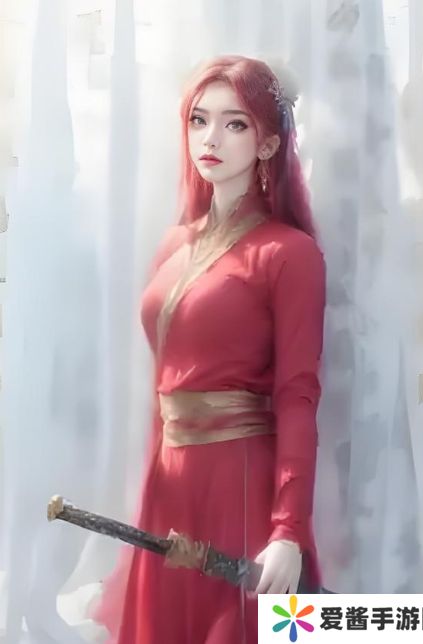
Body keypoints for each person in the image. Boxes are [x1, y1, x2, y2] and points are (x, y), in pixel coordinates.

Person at [92, 54, 326, 644]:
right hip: (170, 483)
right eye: (199, 119)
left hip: (239, 481)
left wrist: (288, 529)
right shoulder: (175, 244)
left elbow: (298, 395)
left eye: (234, 123)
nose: (211, 138)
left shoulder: (289, 253)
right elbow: (163, 385)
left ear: (268, 143)